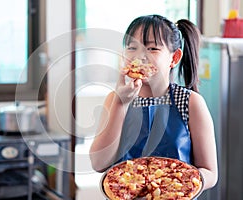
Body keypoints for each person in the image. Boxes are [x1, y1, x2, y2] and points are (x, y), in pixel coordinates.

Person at [89, 14, 218, 191]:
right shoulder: (114, 99)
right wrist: (121, 103)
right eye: (132, 47)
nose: (140, 56)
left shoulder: (191, 102)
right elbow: (98, 164)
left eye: (152, 48)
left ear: (174, 58)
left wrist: (183, 184)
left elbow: (210, 171)